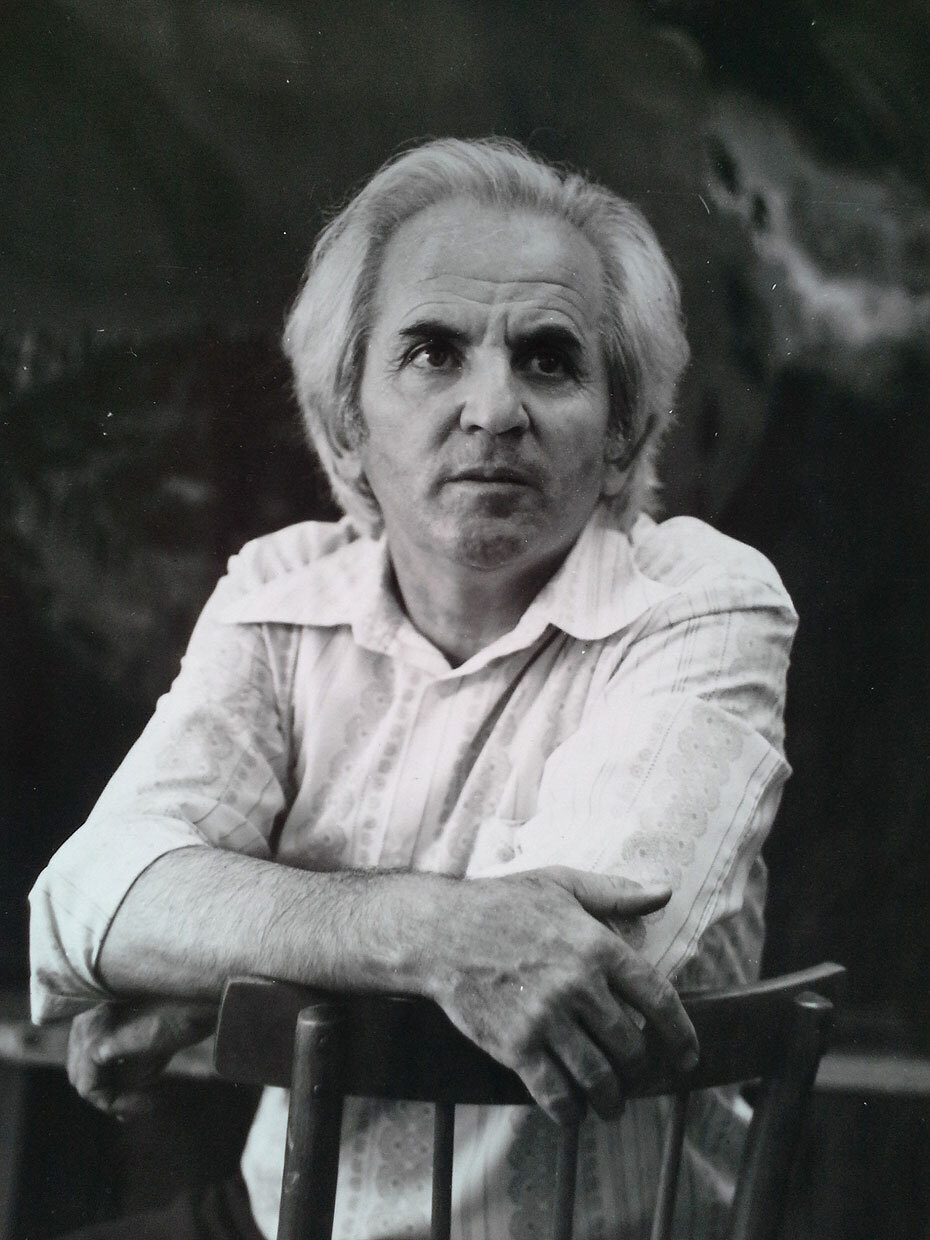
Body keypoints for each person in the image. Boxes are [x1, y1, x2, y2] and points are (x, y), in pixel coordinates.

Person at [30, 137, 797, 1240]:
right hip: (280, 1216)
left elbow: (587, 972)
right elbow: (89, 901)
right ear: (348, 423)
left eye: (549, 360)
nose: (493, 408)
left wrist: (213, 968)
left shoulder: (704, 601)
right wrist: (427, 927)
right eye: (435, 352)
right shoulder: (281, 591)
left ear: (623, 429)